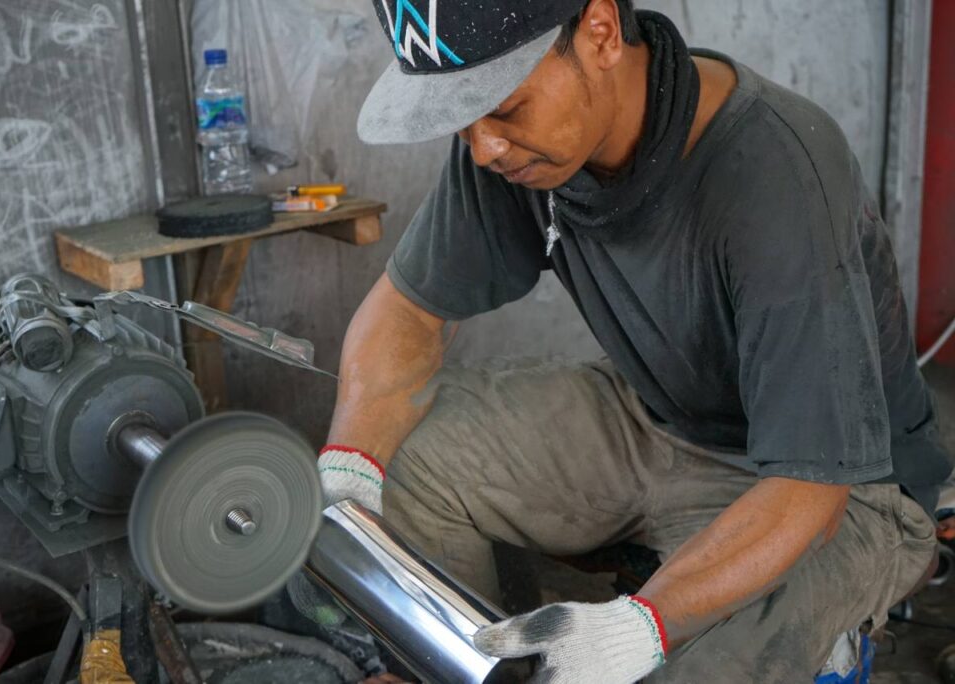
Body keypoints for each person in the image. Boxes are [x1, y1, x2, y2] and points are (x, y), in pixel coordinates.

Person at [309, 1, 954, 681]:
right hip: (657, 419)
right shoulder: (512, 147)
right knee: (401, 456)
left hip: (839, 488)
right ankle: (492, 661)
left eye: (503, 106)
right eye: (462, 119)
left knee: (678, 667)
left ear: (601, 32)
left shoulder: (776, 170)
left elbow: (809, 488)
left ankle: (823, 635)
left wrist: (638, 627)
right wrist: (346, 476)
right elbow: (408, 314)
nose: (483, 148)